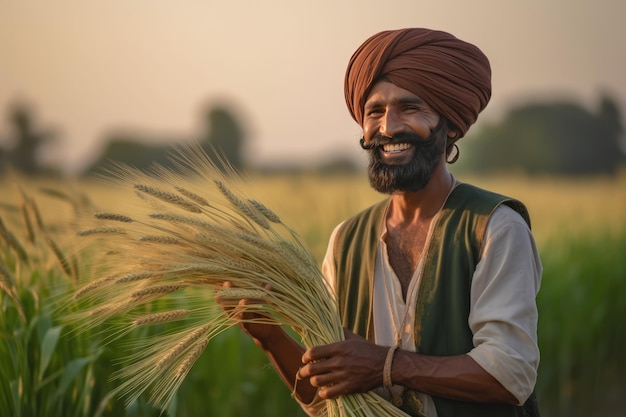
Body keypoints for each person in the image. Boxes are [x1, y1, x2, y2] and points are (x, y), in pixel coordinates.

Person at [223, 28, 542, 417]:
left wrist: (382, 366)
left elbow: (511, 374)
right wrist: (271, 337)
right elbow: (326, 400)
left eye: (410, 108)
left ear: (452, 126)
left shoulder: (493, 228)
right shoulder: (347, 242)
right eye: (374, 111)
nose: (388, 127)